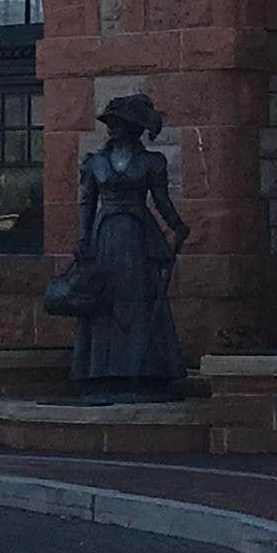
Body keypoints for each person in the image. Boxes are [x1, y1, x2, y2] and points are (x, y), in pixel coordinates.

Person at [65, 94, 189, 395]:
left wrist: (177, 226)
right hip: (105, 237)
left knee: (138, 301)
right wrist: (83, 239)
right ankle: (99, 371)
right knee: (104, 301)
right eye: (110, 123)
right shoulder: (95, 163)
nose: (112, 129)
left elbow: (161, 201)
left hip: (137, 237)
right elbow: (86, 204)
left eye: (118, 123)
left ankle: (144, 369)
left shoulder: (150, 162)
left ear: (133, 127)